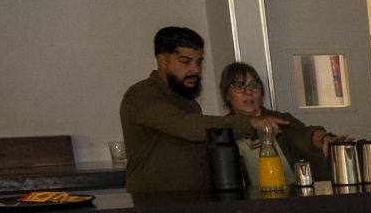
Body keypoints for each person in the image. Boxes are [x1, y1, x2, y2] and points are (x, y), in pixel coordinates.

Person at [119, 25, 280, 192]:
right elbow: (186, 126)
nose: (195, 70)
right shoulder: (141, 94)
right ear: (163, 61)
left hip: (191, 203)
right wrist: (249, 123)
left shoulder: (189, 102)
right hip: (154, 204)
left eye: (199, 62)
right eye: (185, 62)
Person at [218, 62, 350, 183]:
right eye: (239, 86)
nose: (249, 92)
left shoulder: (279, 119)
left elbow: (305, 134)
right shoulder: (223, 128)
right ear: (227, 95)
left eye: (254, 85)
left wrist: (325, 139)